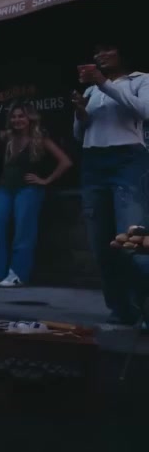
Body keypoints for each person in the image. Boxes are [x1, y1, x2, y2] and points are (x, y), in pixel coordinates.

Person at [73, 38, 149, 324]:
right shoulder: (91, 89)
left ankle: (143, 308)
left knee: (130, 240)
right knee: (101, 242)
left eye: (107, 49)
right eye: (96, 51)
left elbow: (145, 111)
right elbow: (79, 134)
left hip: (127, 160)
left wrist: (104, 83)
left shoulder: (140, 80)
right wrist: (80, 113)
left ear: (122, 53)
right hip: (93, 162)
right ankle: (120, 309)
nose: (100, 55)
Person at [0, 101, 72, 288]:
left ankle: (17, 274)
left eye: (21, 116)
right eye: (14, 117)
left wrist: (45, 180)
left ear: (30, 118)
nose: (17, 120)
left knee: (23, 231)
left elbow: (65, 162)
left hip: (28, 189)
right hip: (5, 188)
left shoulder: (40, 138)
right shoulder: (7, 137)